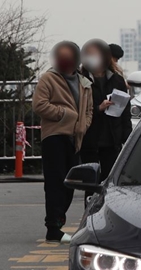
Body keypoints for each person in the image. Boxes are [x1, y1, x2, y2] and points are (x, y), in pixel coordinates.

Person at [32, 41, 93, 243]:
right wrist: (65, 114)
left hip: (75, 138)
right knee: (55, 183)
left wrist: (83, 124)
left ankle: (57, 223)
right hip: (55, 137)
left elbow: (89, 110)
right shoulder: (48, 79)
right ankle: (53, 228)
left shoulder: (84, 82)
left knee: (70, 183)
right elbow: (39, 105)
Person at [79, 39, 132, 202]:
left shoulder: (117, 80)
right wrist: (98, 108)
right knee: (90, 183)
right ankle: (89, 214)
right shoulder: (81, 80)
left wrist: (126, 137)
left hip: (111, 137)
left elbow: (126, 112)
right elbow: (78, 109)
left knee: (109, 182)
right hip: (90, 137)